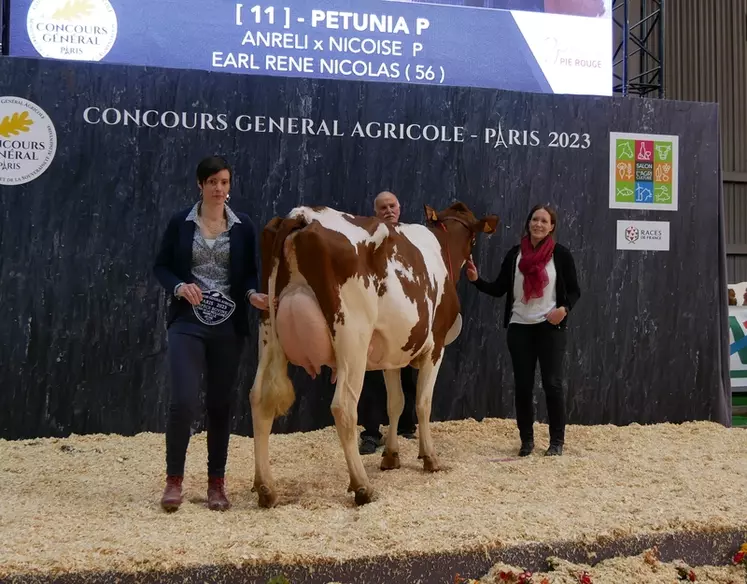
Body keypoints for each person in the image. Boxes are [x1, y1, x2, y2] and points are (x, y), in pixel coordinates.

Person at [153, 155, 270, 512]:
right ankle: (174, 481)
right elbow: (161, 266)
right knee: (184, 402)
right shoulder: (181, 223)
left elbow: (249, 274)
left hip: (228, 326)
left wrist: (253, 295)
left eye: (224, 182)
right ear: (199, 185)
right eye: (212, 182)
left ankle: (216, 484)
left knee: (220, 405)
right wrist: (178, 287)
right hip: (188, 323)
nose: (219, 189)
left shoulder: (244, 226)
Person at [466, 204, 580, 457]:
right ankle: (526, 441)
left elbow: (574, 290)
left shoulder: (560, 254)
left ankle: (556, 442)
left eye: (544, 221)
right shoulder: (515, 254)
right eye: (534, 219)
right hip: (519, 328)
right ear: (528, 223)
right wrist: (476, 281)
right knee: (523, 386)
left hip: (550, 328)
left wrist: (564, 309)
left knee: (553, 385)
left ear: (551, 227)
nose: (538, 224)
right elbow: (499, 289)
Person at [358, 191, 418, 455]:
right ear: (376, 212)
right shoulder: (367, 238)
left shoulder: (413, 238)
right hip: (373, 315)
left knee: (406, 373)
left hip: (403, 317)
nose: (388, 211)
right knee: (370, 375)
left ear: (400, 207)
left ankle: (406, 427)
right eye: (382, 207)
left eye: (392, 205)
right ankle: (371, 433)